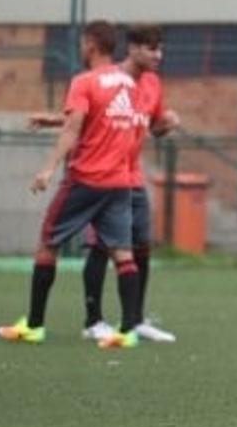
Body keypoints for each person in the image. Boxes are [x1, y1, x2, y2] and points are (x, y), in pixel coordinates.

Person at [0, 20, 151, 349]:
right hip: (120, 182)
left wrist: (48, 169)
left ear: (92, 45)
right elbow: (136, 130)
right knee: (123, 255)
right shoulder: (131, 85)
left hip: (86, 179)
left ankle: (35, 325)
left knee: (47, 245)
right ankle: (127, 332)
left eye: (83, 43)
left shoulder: (85, 81)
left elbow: (74, 128)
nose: (81, 49)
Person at [49, 25, 179, 344]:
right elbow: (92, 117)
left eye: (161, 49)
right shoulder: (108, 79)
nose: (158, 56)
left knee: (140, 246)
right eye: (152, 49)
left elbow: (152, 127)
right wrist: (54, 121)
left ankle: (134, 320)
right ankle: (93, 319)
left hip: (132, 178)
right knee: (101, 247)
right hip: (102, 177)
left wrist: (168, 124)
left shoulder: (152, 84)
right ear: (132, 48)